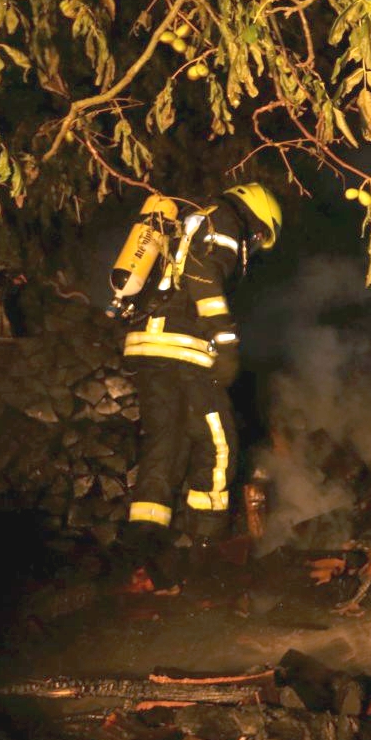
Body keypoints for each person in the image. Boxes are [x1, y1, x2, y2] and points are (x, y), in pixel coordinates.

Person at [109, 183, 282, 589]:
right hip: (183, 349)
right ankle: (208, 553)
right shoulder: (224, 221)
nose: (253, 246)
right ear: (255, 217)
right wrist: (225, 343)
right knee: (220, 444)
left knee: (164, 447)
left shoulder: (189, 220)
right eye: (258, 237)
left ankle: (143, 553)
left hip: (148, 348)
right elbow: (202, 274)